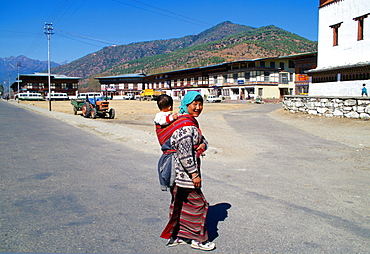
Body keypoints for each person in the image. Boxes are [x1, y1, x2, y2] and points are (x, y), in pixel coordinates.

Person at [158, 91, 215, 251]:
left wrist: (203, 144)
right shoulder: (186, 125)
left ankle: (178, 236)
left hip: (177, 174)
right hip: (183, 175)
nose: (198, 107)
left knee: (180, 204)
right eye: (194, 104)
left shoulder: (187, 122)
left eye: (200, 104)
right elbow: (184, 154)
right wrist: (194, 175)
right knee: (199, 205)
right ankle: (197, 239)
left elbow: (201, 140)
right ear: (186, 105)